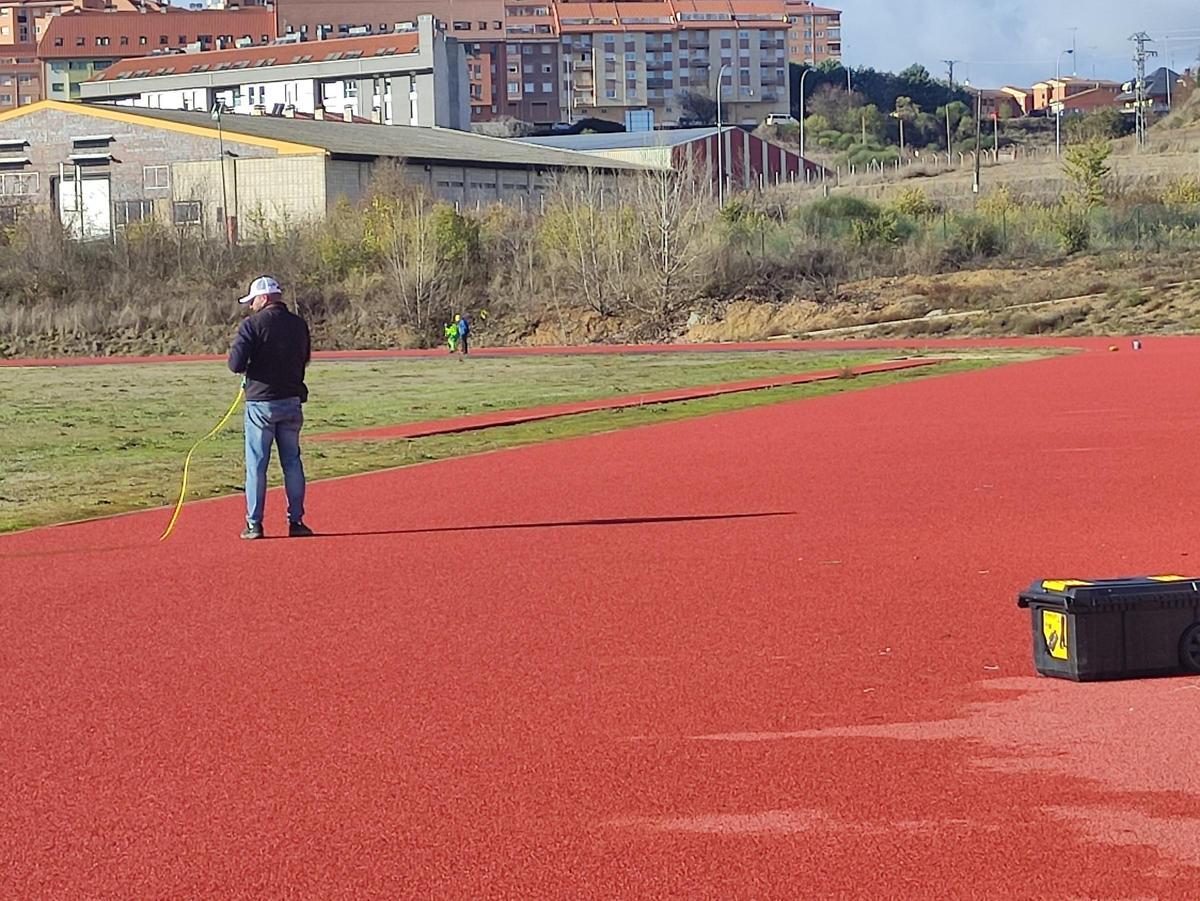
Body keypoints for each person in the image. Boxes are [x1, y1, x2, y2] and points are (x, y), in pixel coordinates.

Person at [228, 275, 314, 540]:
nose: (251, 305)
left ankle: (255, 523)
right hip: (291, 400)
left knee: (257, 465)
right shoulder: (299, 325)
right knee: (292, 462)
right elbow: (305, 358)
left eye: (253, 300)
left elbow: (235, 364)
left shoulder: (252, 325)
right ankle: (296, 521)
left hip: (261, 403)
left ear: (263, 298)